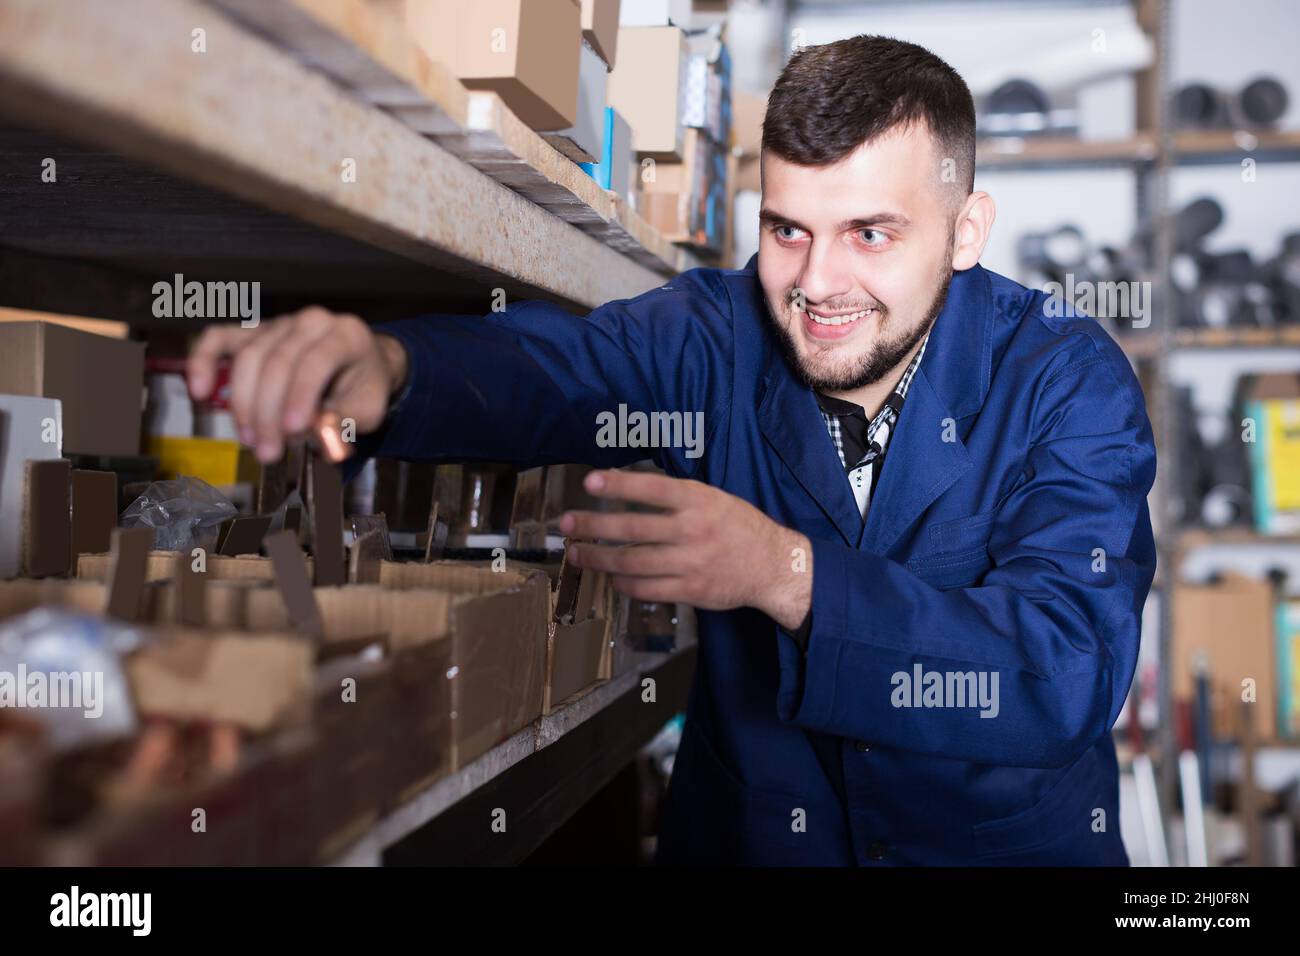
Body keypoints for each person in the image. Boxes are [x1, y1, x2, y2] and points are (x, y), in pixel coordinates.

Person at [188, 35, 1155, 865]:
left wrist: (786, 573)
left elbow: (1063, 670)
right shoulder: (717, 333)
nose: (818, 285)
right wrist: (392, 368)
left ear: (965, 232)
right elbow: (555, 370)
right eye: (787, 230)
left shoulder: (1067, 378)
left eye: (870, 233)